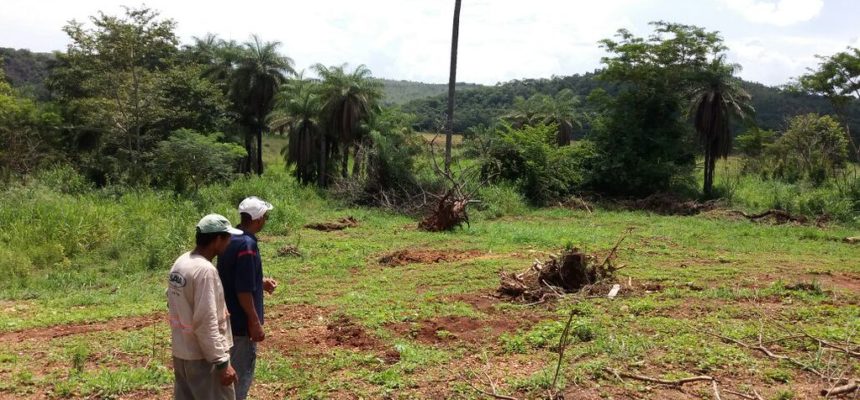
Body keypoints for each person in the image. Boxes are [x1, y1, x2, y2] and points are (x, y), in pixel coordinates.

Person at [167, 214, 242, 400]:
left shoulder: (182, 262)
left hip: (182, 354)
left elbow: (172, 301)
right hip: (203, 359)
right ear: (217, 239)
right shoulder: (205, 271)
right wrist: (222, 362)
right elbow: (205, 321)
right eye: (227, 237)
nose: (230, 241)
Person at [217, 196, 278, 400]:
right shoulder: (247, 245)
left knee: (228, 371)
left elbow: (231, 276)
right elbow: (243, 289)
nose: (265, 220)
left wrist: (259, 282)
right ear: (258, 218)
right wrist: (254, 322)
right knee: (240, 377)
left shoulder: (229, 239)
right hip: (242, 324)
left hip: (227, 318)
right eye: (265, 216)